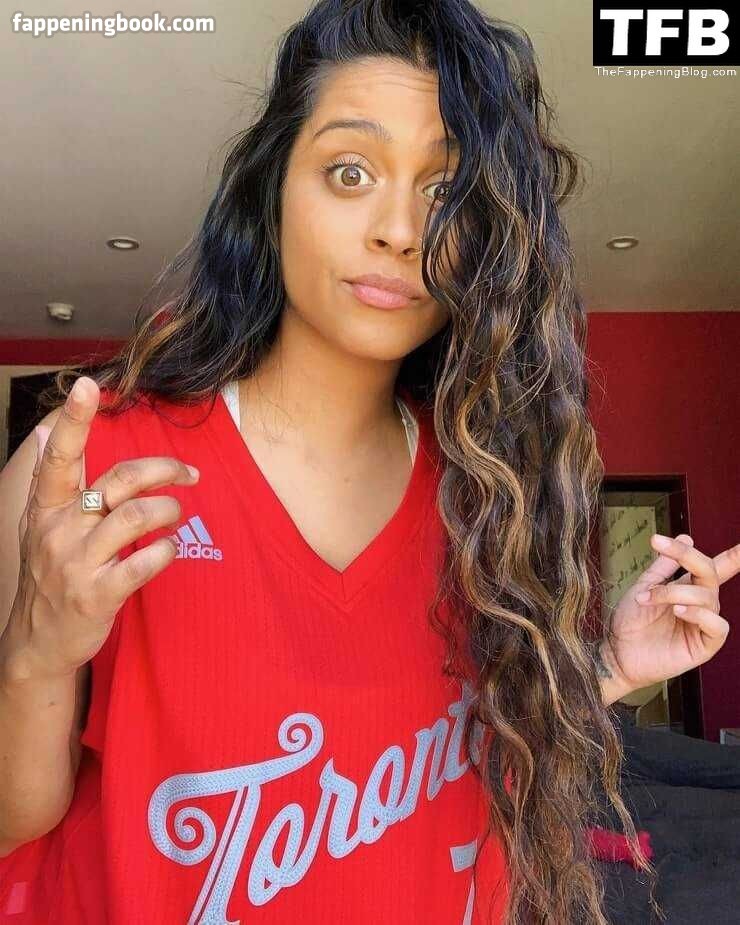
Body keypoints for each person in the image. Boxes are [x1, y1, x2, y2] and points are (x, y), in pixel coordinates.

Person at [0, 1, 736, 922]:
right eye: (350, 171)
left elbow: (465, 739)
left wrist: (610, 665)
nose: (399, 229)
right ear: (273, 192)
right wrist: (36, 653)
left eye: (445, 191)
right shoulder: (90, 470)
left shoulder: (488, 491)